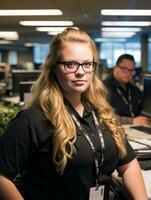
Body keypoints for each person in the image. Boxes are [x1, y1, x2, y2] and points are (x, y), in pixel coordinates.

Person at [0, 28, 147, 200]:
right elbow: (2, 176)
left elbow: (128, 164)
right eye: (70, 64)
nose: (80, 72)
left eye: (87, 64)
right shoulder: (33, 120)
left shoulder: (103, 114)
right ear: (54, 68)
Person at [103, 54, 150, 125]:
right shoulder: (103, 87)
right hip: (115, 129)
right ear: (115, 68)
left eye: (131, 70)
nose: (128, 73)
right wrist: (131, 121)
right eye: (124, 69)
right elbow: (102, 115)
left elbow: (143, 111)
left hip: (136, 128)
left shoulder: (135, 90)